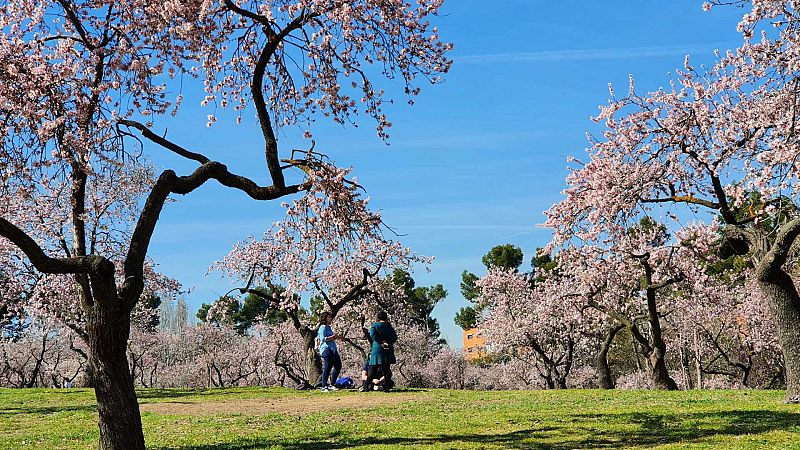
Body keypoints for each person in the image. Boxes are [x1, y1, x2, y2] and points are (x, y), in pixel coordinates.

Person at [364, 310, 397, 392]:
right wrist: (387, 342)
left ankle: (365, 386)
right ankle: (387, 388)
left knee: (372, 369)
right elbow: (394, 337)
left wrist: (380, 341)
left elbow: (372, 335)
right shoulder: (389, 327)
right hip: (387, 349)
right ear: (386, 318)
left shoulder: (374, 326)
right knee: (386, 369)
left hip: (377, 348)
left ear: (378, 318)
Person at [317, 311, 341, 392]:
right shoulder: (322, 327)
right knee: (327, 367)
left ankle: (332, 384)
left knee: (338, 365)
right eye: (329, 317)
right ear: (325, 318)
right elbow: (323, 339)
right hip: (326, 349)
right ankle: (324, 385)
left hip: (333, 349)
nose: (331, 319)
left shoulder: (329, 327)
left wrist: (336, 337)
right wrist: (333, 337)